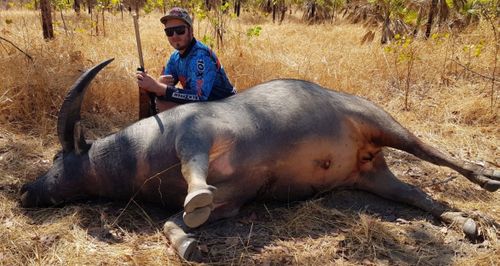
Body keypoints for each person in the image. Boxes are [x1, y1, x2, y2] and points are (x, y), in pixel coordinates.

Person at [137, 7, 236, 112]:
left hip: (224, 106)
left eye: (180, 30)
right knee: (160, 104)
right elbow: (165, 89)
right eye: (169, 32)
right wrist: (157, 85)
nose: (174, 36)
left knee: (165, 107)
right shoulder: (175, 58)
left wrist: (159, 88)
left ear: (191, 31)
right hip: (204, 108)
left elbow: (199, 97)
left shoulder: (201, 57)